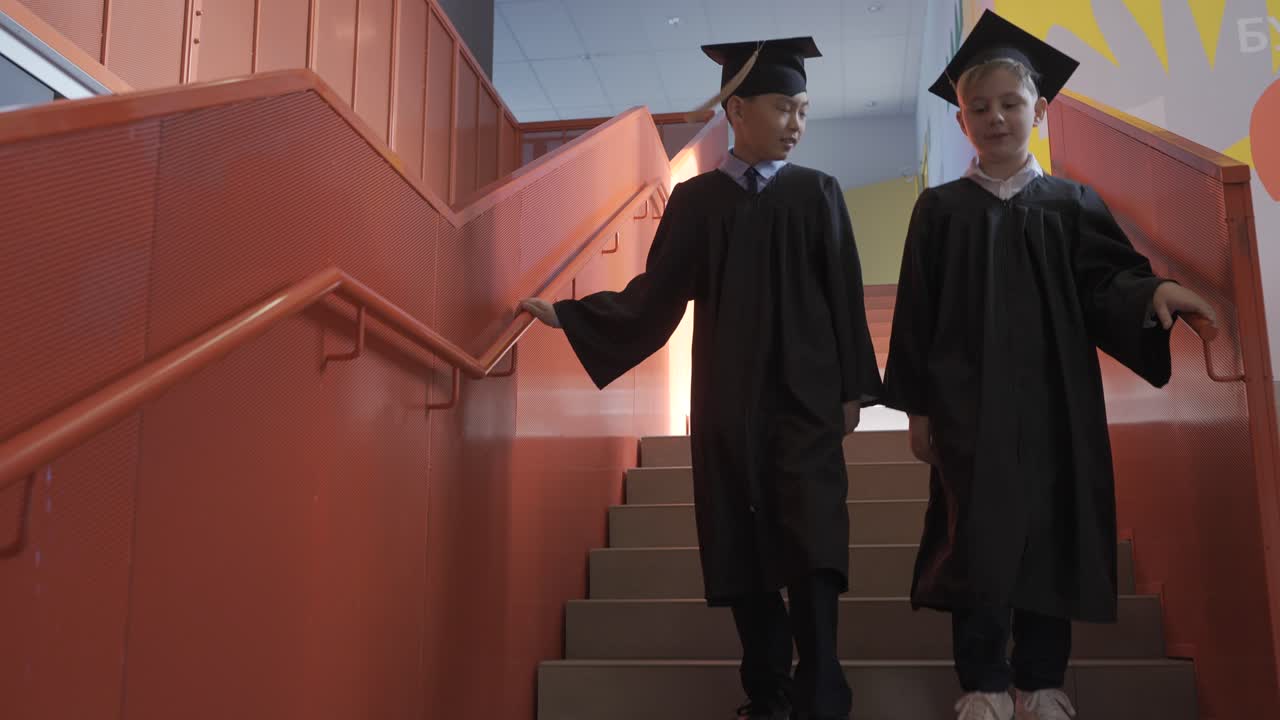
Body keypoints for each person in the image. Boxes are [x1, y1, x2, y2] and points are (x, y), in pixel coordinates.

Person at [521, 36, 882, 720]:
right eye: (782, 107)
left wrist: (852, 391)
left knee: (811, 542)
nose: (797, 122)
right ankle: (767, 692)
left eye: (803, 109)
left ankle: (822, 689)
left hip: (805, 404)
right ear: (737, 110)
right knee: (740, 545)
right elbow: (656, 296)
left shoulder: (818, 193)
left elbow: (845, 296)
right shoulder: (695, 202)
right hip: (728, 403)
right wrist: (575, 316)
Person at [881, 11, 1217, 720]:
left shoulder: (1072, 203)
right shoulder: (940, 212)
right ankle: (982, 683)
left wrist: (1155, 290)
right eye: (979, 107)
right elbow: (916, 312)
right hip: (967, 408)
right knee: (974, 537)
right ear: (961, 120)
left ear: (1040, 108)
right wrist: (917, 408)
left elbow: (1107, 281)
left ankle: (1041, 679)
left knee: (1051, 531)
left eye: (1010, 103)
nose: (995, 118)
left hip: (1056, 401)